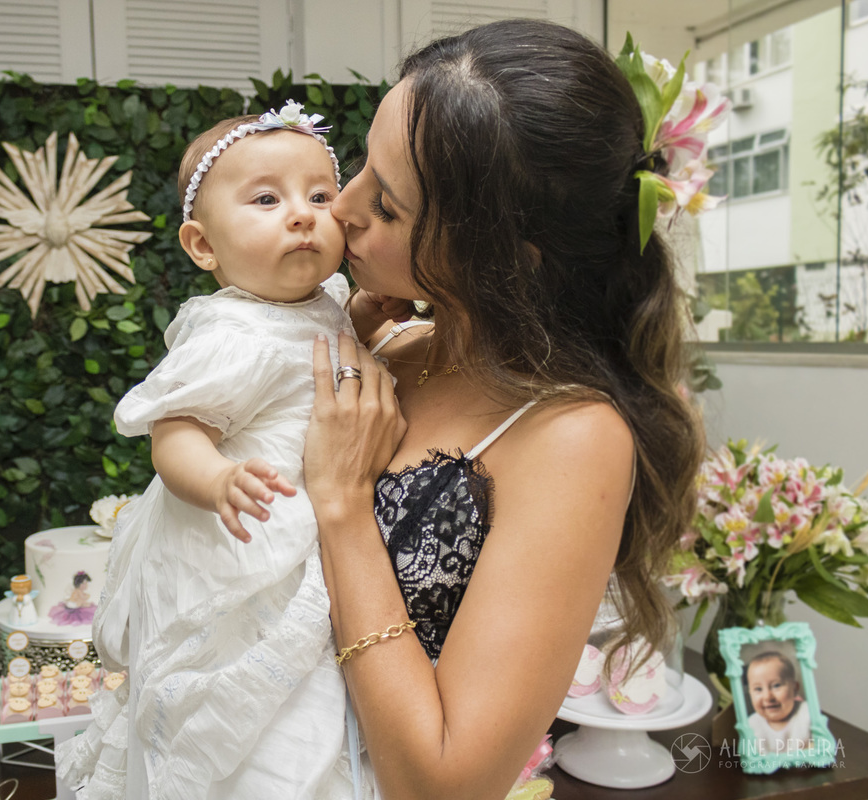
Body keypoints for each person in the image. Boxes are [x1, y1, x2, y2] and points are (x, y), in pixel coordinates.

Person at [301, 19, 704, 799]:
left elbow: (445, 783)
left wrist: (346, 505)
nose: (339, 207)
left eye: (385, 206)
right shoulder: (397, 339)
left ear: (506, 261)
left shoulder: (573, 437)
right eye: (360, 168)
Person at [57, 102, 358, 798]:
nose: (302, 213)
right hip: (238, 545)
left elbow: (345, 328)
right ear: (202, 246)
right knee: (245, 692)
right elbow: (176, 435)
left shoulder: (331, 298)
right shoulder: (231, 335)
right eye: (265, 199)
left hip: (302, 538)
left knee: (310, 693)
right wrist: (218, 480)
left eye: (320, 195)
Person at [745, 651, 812, 754]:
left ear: (795, 688)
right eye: (758, 689)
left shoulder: (806, 713)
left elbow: (822, 749)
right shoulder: (751, 725)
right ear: (750, 694)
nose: (767, 697)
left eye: (776, 685)